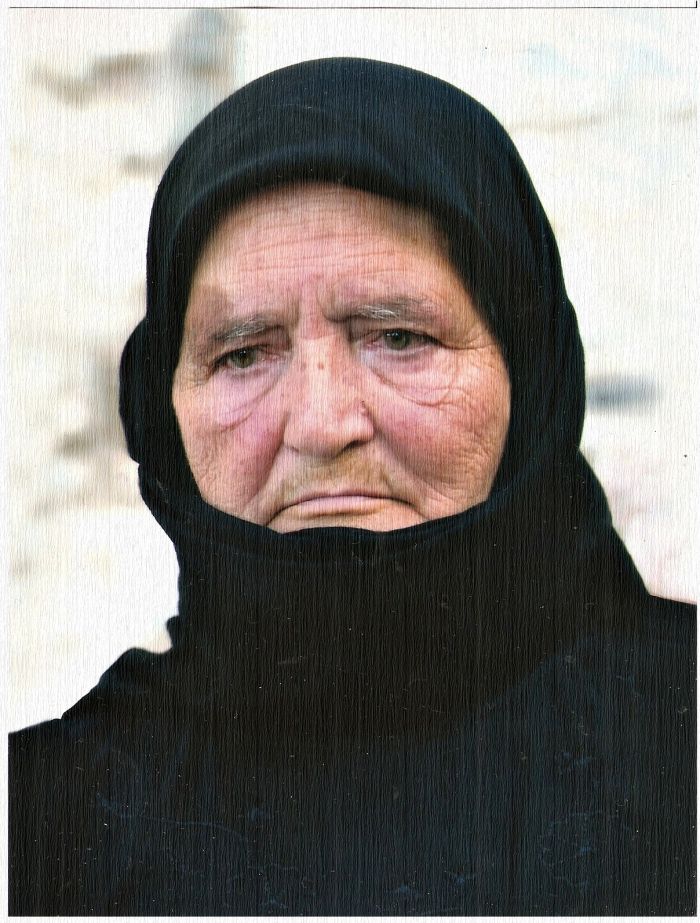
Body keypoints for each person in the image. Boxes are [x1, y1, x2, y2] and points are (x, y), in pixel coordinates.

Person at [9, 58, 695, 915]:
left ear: (531, 376)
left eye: (399, 336)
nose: (321, 423)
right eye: (242, 353)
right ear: (161, 408)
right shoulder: (44, 829)